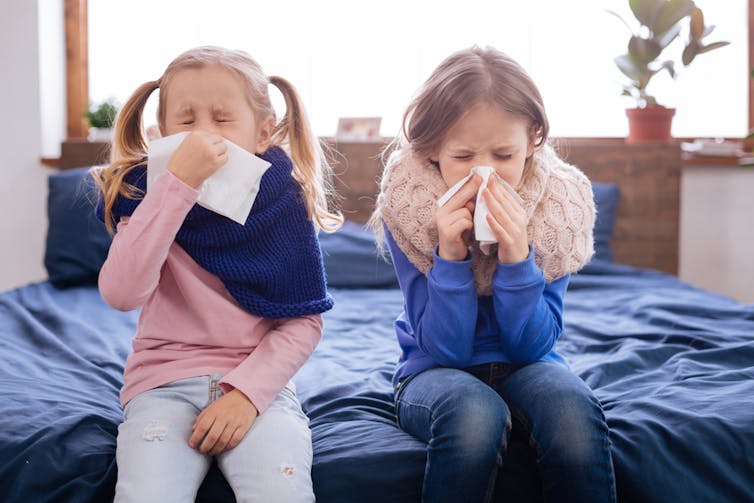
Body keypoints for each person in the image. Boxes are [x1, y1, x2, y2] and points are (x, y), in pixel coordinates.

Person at [94, 46, 341, 502]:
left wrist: (246, 395)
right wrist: (175, 187)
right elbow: (121, 293)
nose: (203, 135)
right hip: (160, 387)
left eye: (222, 119)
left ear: (262, 131)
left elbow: (303, 321)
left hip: (258, 391)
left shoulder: (284, 206)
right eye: (186, 122)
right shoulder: (144, 199)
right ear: (162, 132)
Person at [372, 46, 616, 502]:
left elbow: (533, 345)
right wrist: (449, 255)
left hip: (529, 363)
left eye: (504, 154)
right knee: (473, 414)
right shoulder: (408, 206)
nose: (484, 174)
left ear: (534, 140)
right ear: (431, 152)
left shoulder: (558, 212)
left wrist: (517, 257)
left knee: (572, 413)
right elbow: (446, 348)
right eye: (462, 156)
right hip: (433, 370)